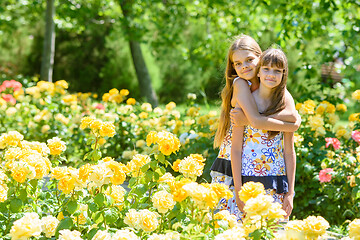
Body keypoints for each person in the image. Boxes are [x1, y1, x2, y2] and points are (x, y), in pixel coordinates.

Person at [210, 35, 299, 220]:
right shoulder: (240, 85)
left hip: (272, 176)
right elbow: (255, 124)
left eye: (250, 60)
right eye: (238, 63)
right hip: (239, 173)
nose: (245, 66)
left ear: (261, 56)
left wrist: (290, 192)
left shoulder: (282, 95)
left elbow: (289, 149)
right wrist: (291, 124)